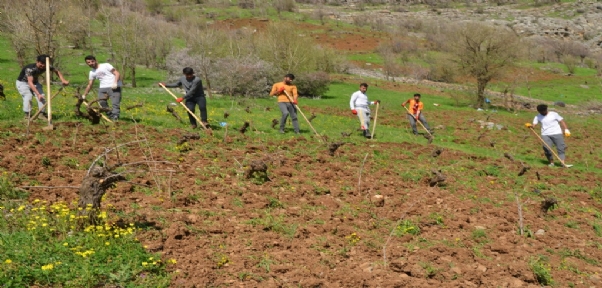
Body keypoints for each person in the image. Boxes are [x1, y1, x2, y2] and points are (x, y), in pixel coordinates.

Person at [16, 54, 69, 120]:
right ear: (37, 62)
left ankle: (41, 114)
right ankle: (27, 115)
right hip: (23, 83)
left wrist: (63, 80)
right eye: (41, 63)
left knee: (42, 96)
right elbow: (30, 82)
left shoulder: (47, 66)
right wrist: (37, 94)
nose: (43, 65)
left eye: (44, 64)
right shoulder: (29, 69)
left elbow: (57, 71)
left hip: (35, 82)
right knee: (28, 96)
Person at [81, 55, 122, 121]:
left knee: (115, 103)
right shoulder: (91, 72)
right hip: (103, 88)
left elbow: (117, 73)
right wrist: (84, 95)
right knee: (102, 102)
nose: (91, 63)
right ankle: (110, 115)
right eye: (88, 62)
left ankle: (115, 117)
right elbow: (90, 84)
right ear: (87, 64)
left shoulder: (106, 65)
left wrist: (115, 82)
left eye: (92, 61)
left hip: (114, 86)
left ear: (96, 61)